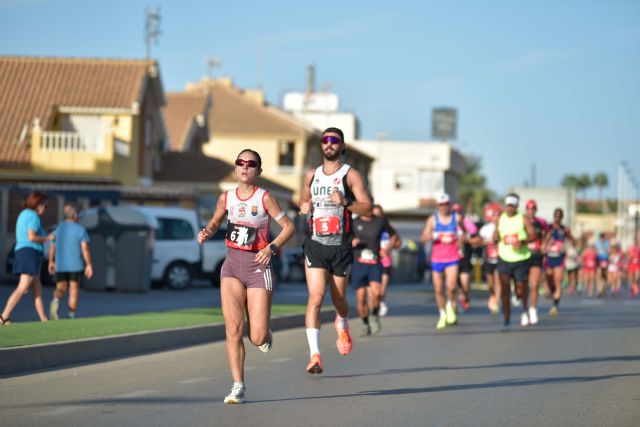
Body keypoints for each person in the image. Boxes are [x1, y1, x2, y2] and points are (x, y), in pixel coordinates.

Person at [198, 149, 295, 404]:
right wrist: (207, 231)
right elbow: (216, 221)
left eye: (251, 164)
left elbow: (289, 227)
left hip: (258, 267)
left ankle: (265, 334)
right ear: (236, 168)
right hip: (231, 266)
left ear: (258, 171)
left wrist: (271, 247)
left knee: (257, 336)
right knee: (233, 328)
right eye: (241, 162)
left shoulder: (265, 198)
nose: (245, 167)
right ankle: (238, 385)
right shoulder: (226, 198)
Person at [299, 127, 372, 374]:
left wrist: (346, 203)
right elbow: (302, 200)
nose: (329, 144)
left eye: (334, 140)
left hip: (340, 246)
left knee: (339, 301)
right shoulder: (311, 175)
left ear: (342, 146)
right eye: (325, 140)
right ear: (321, 145)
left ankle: (342, 322)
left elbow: (368, 208)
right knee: (316, 297)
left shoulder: (350, 175)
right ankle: (315, 355)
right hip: (315, 245)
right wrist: (304, 206)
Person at [1, 192, 54, 324]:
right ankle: (4, 316)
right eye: (43, 204)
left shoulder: (24, 214)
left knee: (37, 288)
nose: (44, 208)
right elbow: (32, 237)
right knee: (23, 286)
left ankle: (44, 319)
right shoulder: (33, 215)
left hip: (26, 252)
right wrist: (48, 238)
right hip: (29, 252)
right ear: (37, 203)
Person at [350, 206, 397, 336]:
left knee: (376, 293)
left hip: (374, 262)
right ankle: (365, 323)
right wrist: (352, 241)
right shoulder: (354, 222)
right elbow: (345, 238)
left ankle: (374, 315)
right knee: (361, 299)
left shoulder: (380, 221)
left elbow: (394, 237)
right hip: (358, 263)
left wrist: (387, 249)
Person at [494, 193, 536, 330]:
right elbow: (496, 235)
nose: (510, 208)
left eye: (513, 205)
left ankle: (524, 309)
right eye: (508, 205)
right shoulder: (501, 218)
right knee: (505, 289)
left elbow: (533, 235)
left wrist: (522, 242)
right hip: (504, 258)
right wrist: (495, 236)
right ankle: (507, 320)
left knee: (520, 289)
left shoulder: (523, 219)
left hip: (521, 259)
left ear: (517, 206)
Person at [420, 193, 462, 330]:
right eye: (441, 205)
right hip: (437, 259)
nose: (444, 207)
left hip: (452, 258)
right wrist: (433, 235)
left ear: (450, 204)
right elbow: (423, 239)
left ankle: (450, 305)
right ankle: (442, 314)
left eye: (446, 204)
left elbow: (465, 235)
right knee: (438, 289)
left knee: (450, 287)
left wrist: (458, 238)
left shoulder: (457, 218)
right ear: (438, 206)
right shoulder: (432, 220)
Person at [48, 203, 94, 320]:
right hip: (75, 265)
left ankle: (56, 300)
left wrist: (51, 262)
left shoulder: (59, 228)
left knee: (60, 288)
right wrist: (89, 264)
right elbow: (84, 249)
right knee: (73, 290)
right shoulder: (80, 229)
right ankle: (71, 314)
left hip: (61, 265)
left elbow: (52, 246)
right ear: (75, 215)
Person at [544, 208, 574, 316]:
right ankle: (551, 290)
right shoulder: (548, 228)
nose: (557, 218)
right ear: (553, 216)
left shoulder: (565, 229)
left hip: (559, 258)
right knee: (549, 278)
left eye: (559, 216)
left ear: (562, 217)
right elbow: (543, 241)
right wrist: (548, 239)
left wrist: (568, 246)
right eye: (556, 216)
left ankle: (555, 306)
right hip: (549, 257)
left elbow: (571, 240)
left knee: (558, 281)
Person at [372, 204, 401, 317]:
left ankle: (381, 302)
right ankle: (375, 308)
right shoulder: (368, 226)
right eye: (374, 214)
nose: (376, 216)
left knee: (382, 290)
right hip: (372, 261)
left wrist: (389, 248)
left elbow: (398, 242)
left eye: (379, 214)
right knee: (375, 291)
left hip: (385, 261)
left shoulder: (387, 227)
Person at [524, 199, 549, 325]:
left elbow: (548, 232)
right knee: (522, 285)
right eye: (528, 209)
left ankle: (533, 309)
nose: (531, 211)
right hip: (522, 256)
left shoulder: (541, 222)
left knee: (534, 284)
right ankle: (524, 309)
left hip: (536, 255)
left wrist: (544, 243)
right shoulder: (521, 221)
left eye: (533, 209)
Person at [453, 203, 480, 312]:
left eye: (458, 213)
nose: (456, 215)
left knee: (464, 284)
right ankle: (452, 306)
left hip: (464, 259)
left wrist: (466, 240)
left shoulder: (468, 223)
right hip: (451, 259)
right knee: (452, 285)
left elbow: (477, 239)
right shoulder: (448, 223)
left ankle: (465, 296)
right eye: (454, 213)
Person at [479, 203, 502, 314]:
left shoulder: (503, 227)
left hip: (500, 258)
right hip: (488, 258)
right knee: (491, 283)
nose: (496, 218)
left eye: (498, 216)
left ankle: (496, 302)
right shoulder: (485, 228)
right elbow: (479, 241)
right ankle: (492, 295)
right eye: (494, 216)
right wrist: (488, 242)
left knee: (498, 281)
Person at [595, 232, 610, 297]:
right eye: (601, 238)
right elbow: (595, 251)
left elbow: (608, 251)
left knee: (604, 275)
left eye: (603, 238)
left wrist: (605, 248)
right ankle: (599, 290)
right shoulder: (597, 243)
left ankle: (603, 287)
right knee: (599, 275)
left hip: (605, 259)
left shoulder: (607, 243)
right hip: (599, 259)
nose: (602, 239)